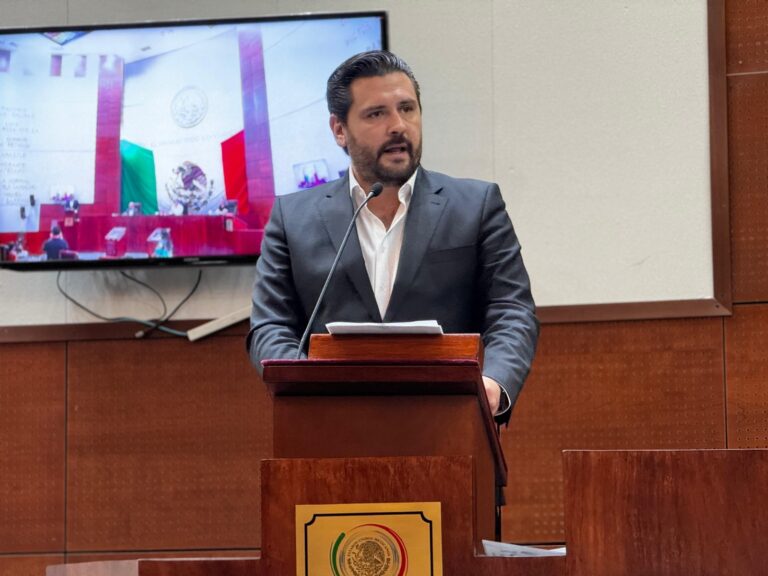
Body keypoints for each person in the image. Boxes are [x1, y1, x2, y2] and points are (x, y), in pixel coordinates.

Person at [247, 51, 539, 421]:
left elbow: (511, 309)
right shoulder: (293, 218)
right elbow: (271, 325)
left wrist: (495, 381)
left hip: (450, 424)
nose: (398, 126)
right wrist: (308, 389)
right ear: (339, 130)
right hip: (331, 425)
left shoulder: (476, 206)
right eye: (376, 114)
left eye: (407, 109)